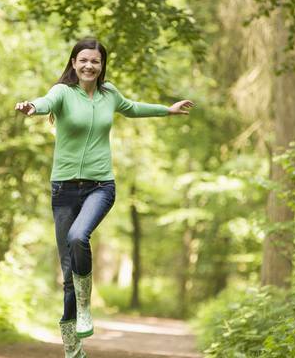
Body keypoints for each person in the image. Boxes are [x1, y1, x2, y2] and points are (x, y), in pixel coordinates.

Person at [15, 38, 194, 358]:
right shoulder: (63, 93)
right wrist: (31, 106)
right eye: (83, 60)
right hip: (63, 189)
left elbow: (133, 108)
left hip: (101, 186)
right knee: (68, 268)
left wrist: (167, 110)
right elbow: (44, 101)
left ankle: (85, 306)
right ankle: (72, 348)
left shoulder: (110, 94)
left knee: (78, 236)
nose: (88, 66)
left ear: (101, 65)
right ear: (73, 63)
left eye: (95, 61)